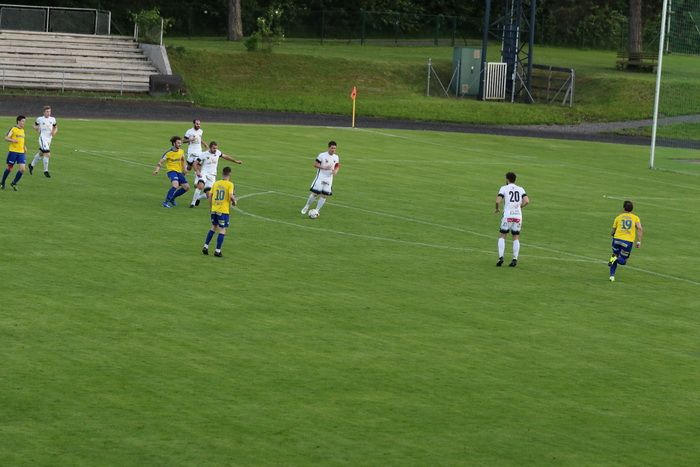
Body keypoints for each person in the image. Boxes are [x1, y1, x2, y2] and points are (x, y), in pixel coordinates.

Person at [190, 141, 242, 208]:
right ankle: (193, 203)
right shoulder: (204, 154)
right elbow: (194, 163)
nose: (215, 150)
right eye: (214, 148)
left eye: (216, 148)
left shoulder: (218, 152)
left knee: (209, 194)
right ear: (210, 147)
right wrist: (197, 171)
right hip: (204, 173)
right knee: (200, 186)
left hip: (212, 175)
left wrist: (235, 161)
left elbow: (225, 157)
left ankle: (198, 197)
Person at [495, 172, 529, 267]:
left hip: (508, 215)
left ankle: (501, 257)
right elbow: (527, 201)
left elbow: (497, 201)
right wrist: (520, 207)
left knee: (502, 235)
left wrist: (497, 208)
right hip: (518, 216)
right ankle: (515, 259)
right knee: (516, 237)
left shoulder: (504, 188)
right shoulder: (520, 189)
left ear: (507, 179)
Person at [202, 166, 236, 258]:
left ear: (222, 173)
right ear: (230, 174)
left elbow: (210, 196)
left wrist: (211, 208)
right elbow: (231, 196)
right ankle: (217, 251)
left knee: (213, 227)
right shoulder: (230, 184)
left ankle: (205, 246)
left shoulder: (216, 183)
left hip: (214, 209)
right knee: (222, 230)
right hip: (223, 211)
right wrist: (234, 201)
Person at [300, 140, 341, 216]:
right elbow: (315, 164)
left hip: (329, 178)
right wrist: (324, 167)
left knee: (324, 195)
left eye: (335, 148)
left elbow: (337, 165)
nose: (333, 150)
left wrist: (336, 171)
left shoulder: (336, 157)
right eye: (332, 148)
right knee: (315, 193)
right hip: (321, 177)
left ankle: (317, 210)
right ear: (328, 148)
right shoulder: (322, 155)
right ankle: (307, 206)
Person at [608, 200, 643, 282]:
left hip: (616, 240)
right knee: (623, 261)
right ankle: (615, 259)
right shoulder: (635, 218)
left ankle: (612, 276)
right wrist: (639, 241)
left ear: (624, 208)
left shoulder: (618, 217)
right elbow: (639, 228)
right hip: (627, 242)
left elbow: (613, 231)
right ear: (632, 209)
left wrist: (613, 234)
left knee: (614, 255)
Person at [152, 136, 190, 208]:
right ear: (174, 143)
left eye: (180, 143)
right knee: (175, 185)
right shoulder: (168, 153)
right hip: (171, 171)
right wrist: (156, 170)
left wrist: (184, 169)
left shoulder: (181, 151)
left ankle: (172, 198)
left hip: (179, 172)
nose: (180, 144)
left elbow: (183, 160)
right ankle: (165, 202)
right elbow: (160, 162)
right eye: (178, 143)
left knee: (187, 187)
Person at [29, 105, 58, 178]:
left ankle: (31, 165)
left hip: (49, 139)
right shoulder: (40, 119)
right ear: (44, 112)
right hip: (43, 138)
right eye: (47, 111)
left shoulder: (53, 119)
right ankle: (46, 171)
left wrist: (54, 132)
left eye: (49, 111)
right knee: (47, 153)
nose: (49, 113)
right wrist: (37, 129)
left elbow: (55, 127)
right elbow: (34, 126)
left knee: (41, 153)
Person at [2, 115, 28, 191]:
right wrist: (13, 140)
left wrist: (24, 146)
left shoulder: (22, 130)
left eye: (24, 121)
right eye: (23, 121)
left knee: (22, 169)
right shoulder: (13, 129)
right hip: (13, 152)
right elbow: (6, 138)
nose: (24, 123)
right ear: (18, 121)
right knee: (10, 168)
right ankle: (2, 182)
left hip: (21, 152)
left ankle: (14, 183)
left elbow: (22, 140)